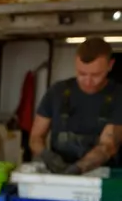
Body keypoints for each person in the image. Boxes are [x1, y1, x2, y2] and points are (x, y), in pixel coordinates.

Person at [30, 37, 122, 174]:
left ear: (110, 65)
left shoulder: (118, 96)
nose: (88, 81)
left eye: (96, 75)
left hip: (103, 177)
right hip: (59, 174)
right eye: (82, 73)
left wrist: (79, 168)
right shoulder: (57, 92)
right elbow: (36, 137)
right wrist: (46, 156)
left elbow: (108, 146)